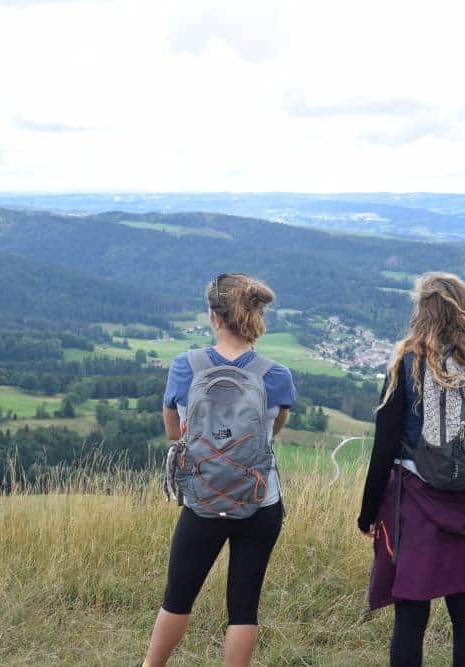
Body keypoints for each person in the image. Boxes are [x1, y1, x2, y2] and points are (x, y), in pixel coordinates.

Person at [358, 272, 465, 667]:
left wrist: (368, 513)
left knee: (411, 614)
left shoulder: (408, 364)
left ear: (423, 313)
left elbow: (383, 449)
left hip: (414, 501)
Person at [141, 273, 296, 667]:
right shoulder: (276, 376)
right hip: (260, 501)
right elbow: (271, 435)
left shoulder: (184, 367)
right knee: (243, 606)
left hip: (202, 499)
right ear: (254, 316)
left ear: (214, 316)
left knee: (178, 597)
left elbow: (174, 432)